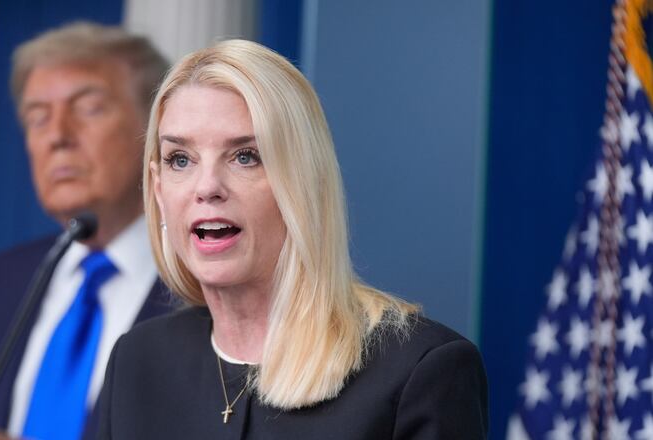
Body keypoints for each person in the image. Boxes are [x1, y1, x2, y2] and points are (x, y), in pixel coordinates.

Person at [97, 39, 489, 439]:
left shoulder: (419, 371)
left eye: (245, 156)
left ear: (304, 183)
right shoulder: (136, 361)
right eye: (180, 159)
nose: (207, 186)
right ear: (159, 189)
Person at [0, 22, 173, 440]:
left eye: (88, 108)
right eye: (38, 118)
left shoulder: (205, 290)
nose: (57, 136)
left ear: (156, 129)